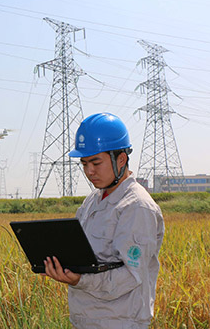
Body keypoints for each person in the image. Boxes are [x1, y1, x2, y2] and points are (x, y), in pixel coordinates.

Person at [42, 112, 165, 329]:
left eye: (96, 162)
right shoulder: (92, 201)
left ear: (121, 159)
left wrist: (79, 279)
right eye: (84, 163)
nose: (89, 172)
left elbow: (130, 275)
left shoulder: (136, 207)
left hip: (120, 322)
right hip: (87, 319)